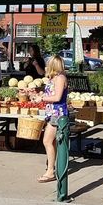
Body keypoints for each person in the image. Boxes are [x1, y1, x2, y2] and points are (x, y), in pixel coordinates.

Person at [35, 55, 68, 183]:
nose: (46, 66)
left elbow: (57, 97)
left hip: (57, 114)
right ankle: (52, 168)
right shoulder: (53, 78)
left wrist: (42, 99)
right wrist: (41, 94)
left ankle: (50, 171)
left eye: (49, 63)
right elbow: (52, 94)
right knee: (52, 142)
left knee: (47, 141)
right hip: (52, 113)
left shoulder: (60, 78)